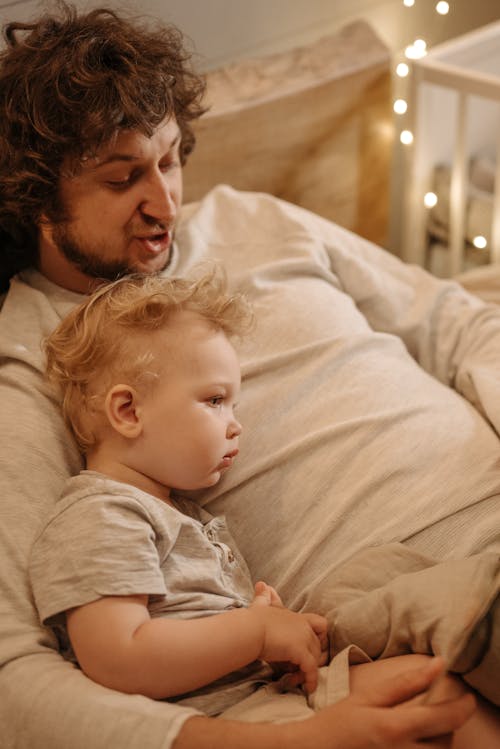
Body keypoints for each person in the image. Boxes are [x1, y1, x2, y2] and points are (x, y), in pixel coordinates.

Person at [0, 4, 498, 748]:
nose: (166, 202)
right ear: (39, 195)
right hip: (395, 602)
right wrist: (290, 740)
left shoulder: (256, 215)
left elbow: (462, 323)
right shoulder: (33, 364)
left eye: (169, 159)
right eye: (123, 176)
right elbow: (17, 675)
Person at [31, 269, 331, 710]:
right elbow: (120, 658)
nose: (236, 425)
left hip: (261, 698)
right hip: (225, 722)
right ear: (129, 411)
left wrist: (273, 632)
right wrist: (256, 633)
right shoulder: (102, 514)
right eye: (214, 400)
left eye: (234, 404)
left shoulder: (185, 513)